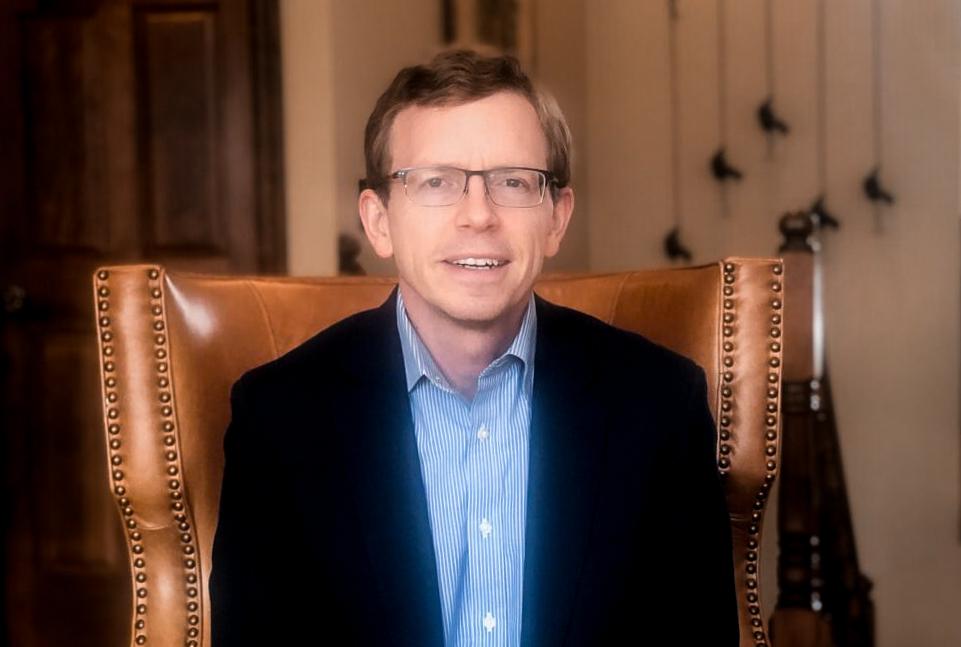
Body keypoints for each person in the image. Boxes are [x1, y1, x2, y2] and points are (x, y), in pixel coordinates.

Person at [210, 50, 737, 646]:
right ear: (379, 220)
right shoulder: (278, 417)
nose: (479, 215)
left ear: (557, 218)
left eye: (513, 182)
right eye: (436, 182)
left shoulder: (660, 403)